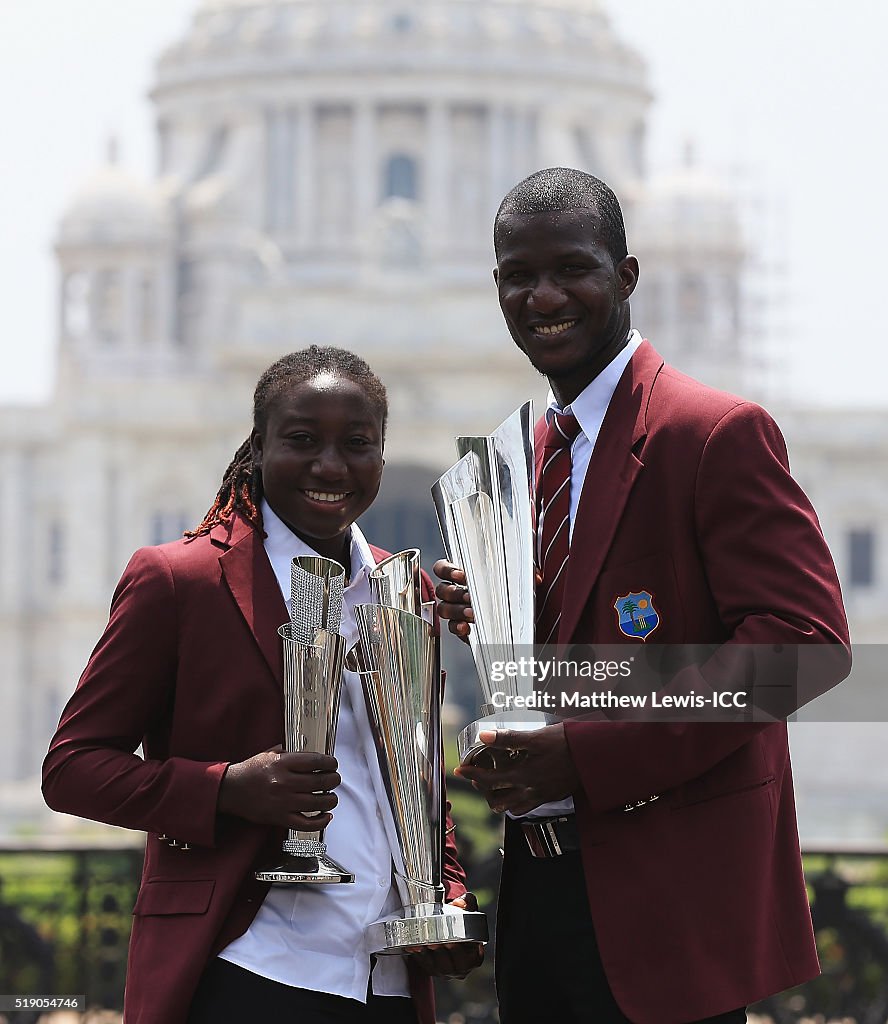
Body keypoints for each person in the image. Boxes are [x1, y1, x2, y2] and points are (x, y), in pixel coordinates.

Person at [434, 168, 850, 1024]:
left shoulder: (711, 432)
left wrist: (586, 754)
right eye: (519, 276)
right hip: (543, 889)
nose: (544, 296)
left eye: (572, 269)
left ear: (626, 276)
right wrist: (497, 617)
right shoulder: (529, 452)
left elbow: (802, 650)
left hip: (669, 900)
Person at [43, 346, 483, 1024]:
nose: (331, 466)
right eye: (303, 440)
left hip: (385, 979)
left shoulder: (405, 588)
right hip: (248, 964)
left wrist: (446, 892)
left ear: (383, 456)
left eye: (357, 444)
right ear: (260, 447)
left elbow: (414, 777)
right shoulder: (182, 579)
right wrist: (227, 789)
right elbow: (72, 768)